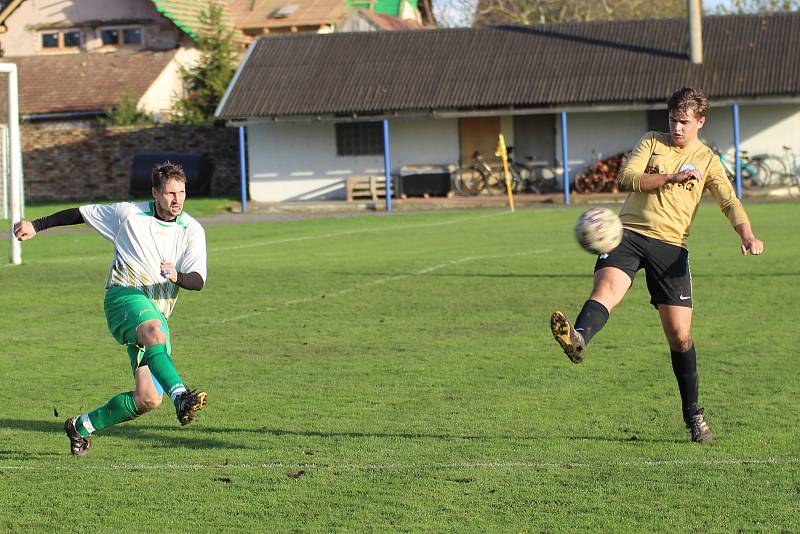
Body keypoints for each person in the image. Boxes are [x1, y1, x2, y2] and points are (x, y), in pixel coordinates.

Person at [550, 87, 764, 444]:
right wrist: (671, 177)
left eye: (684, 122)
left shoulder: (708, 160)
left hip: (671, 247)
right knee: (607, 290)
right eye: (672, 120)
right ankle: (579, 339)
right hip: (627, 235)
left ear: (699, 121)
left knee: (680, 336)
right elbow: (627, 178)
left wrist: (747, 234)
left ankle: (694, 415)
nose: (677, 128)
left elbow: (729, 200)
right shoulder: (652, 142)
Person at [13, 162, 208, 456]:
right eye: (170, 193)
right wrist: (37, 225)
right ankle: (180, 395)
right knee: (155, 332)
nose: (177, 199)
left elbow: (198, 280)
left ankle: (81, 426)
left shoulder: (192, 230)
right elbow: (82, 212)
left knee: (148, 399)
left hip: (155, 312)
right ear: (155, 193)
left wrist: (177, 277)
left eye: (181, 192)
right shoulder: (129, 215)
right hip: (123, 298)